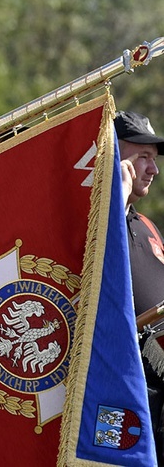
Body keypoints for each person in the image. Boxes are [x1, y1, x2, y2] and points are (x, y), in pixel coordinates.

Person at [116, 110, 164, 463]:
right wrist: (116, 195)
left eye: (154, 158)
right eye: (143, 156)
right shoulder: (95, 216)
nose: (153, 169)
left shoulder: (145, 223)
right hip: (119, 391)